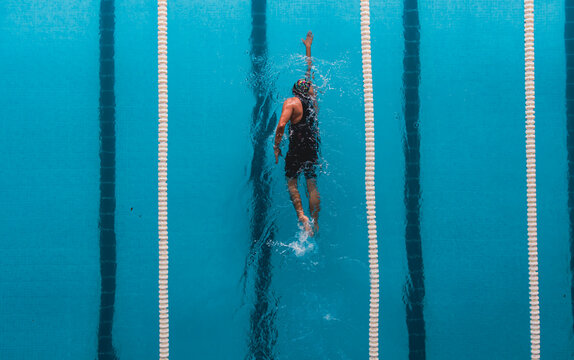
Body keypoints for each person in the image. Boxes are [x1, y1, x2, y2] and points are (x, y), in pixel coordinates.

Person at [273, 31, 320, 235]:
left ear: (294, 91)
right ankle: (316, 221)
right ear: (308, 90)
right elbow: (309, 75)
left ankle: (302, 216)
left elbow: (282, 126)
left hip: (296, 146)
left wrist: (276, 146)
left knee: (292, 182)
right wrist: (308, 48)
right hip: (312, 143)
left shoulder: (291, 102)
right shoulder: (312, 99)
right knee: (311, 183)